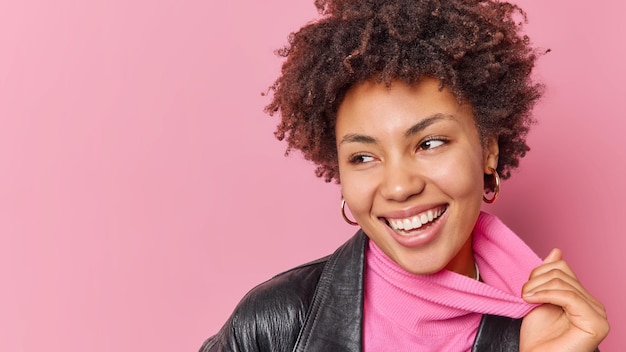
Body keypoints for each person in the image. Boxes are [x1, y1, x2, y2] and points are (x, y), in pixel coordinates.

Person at [200, 0, 609, 350]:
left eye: (429, 144)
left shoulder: (542, 333)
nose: (399, 187)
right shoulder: (275, 324)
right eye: (362, 157)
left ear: (488, 150)